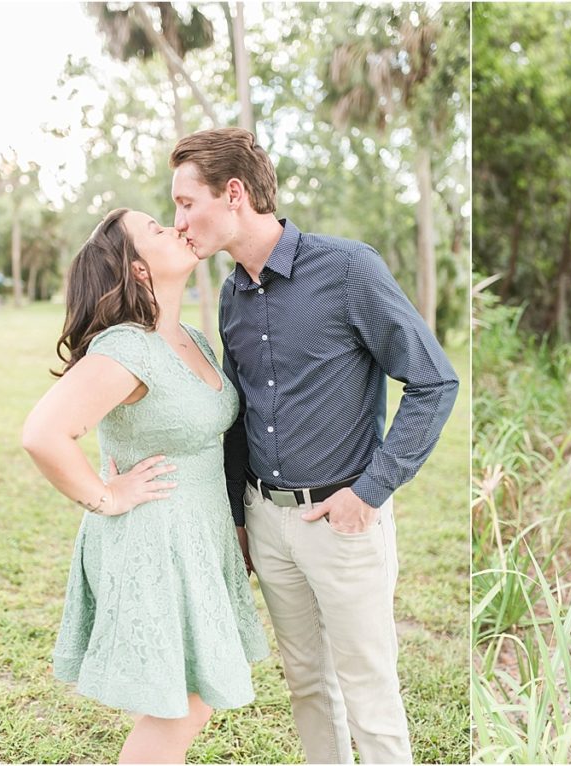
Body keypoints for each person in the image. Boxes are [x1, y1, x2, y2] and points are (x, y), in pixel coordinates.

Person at [168, 127, 459, 764]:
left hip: (344, 521)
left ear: (235, 193)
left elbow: (435, 380)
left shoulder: (348, 267)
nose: (180, 220)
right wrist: (242, 519)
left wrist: (370, 492)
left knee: (370, 694)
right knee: (307, 686)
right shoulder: (231, 294)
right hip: (268, 524)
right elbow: (240, 414)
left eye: (188, 203)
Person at [22, 208, 269, 764]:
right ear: (136, 269)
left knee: (171, 701)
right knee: (184, 707)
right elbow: (43, 434)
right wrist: (108, 495)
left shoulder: (193, 340)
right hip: (152, 542)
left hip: (196, 539)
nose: (176, 227)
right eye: (157, 229)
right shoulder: (125, 349)